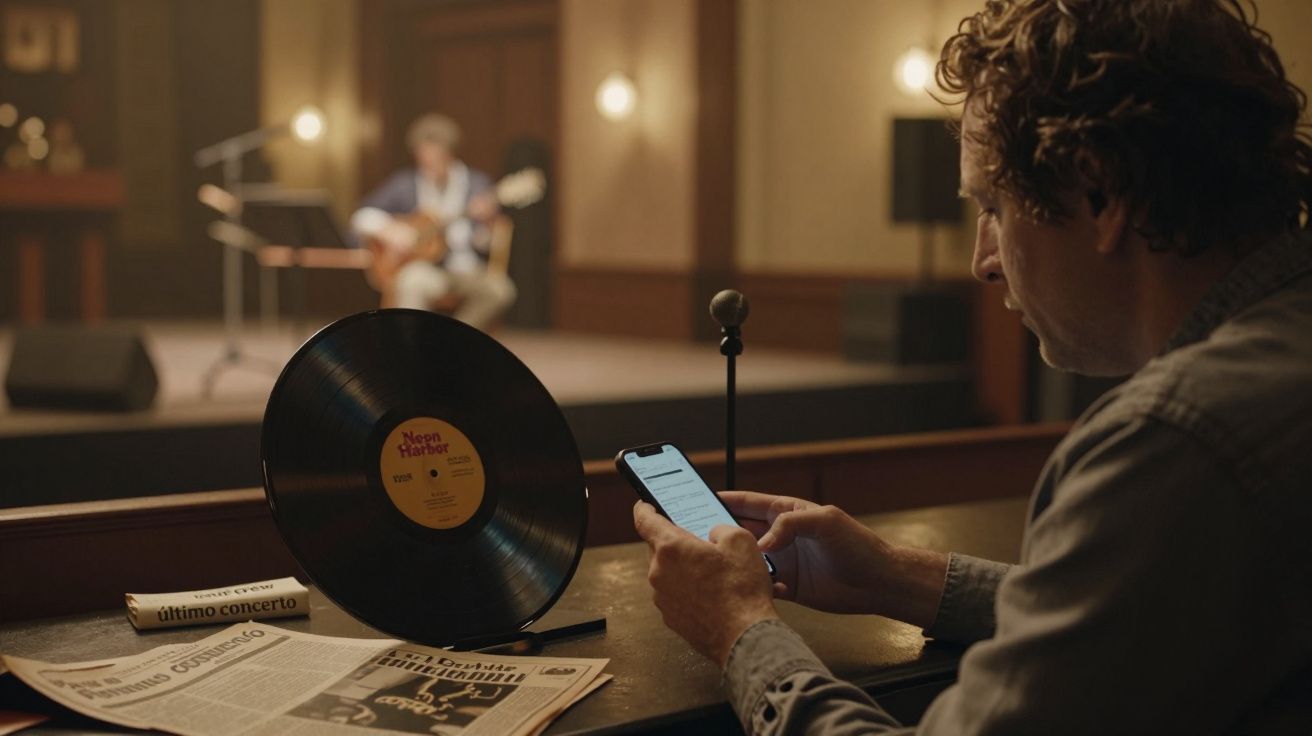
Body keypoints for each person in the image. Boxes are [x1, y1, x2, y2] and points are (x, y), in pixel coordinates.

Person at [633, 1, 1312, 733]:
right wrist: (898, 576)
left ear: (1099, 192)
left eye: (993, 205)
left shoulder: (1173, 441)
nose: (982, 261)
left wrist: (740, 630)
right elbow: (1157, 610)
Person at [350, 113, 516, 330]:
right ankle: (412, 347)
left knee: (501, 291)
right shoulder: (405, 183)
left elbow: (483, 243)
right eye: (423, 156)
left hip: (466, 267)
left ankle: (457, 339)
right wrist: (390, 231)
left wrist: (487, 223)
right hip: (426, 269)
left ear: (450, 153)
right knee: (411, 281)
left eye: (436, 156)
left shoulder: (477, 184)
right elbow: (361, 215)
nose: (429, 163)